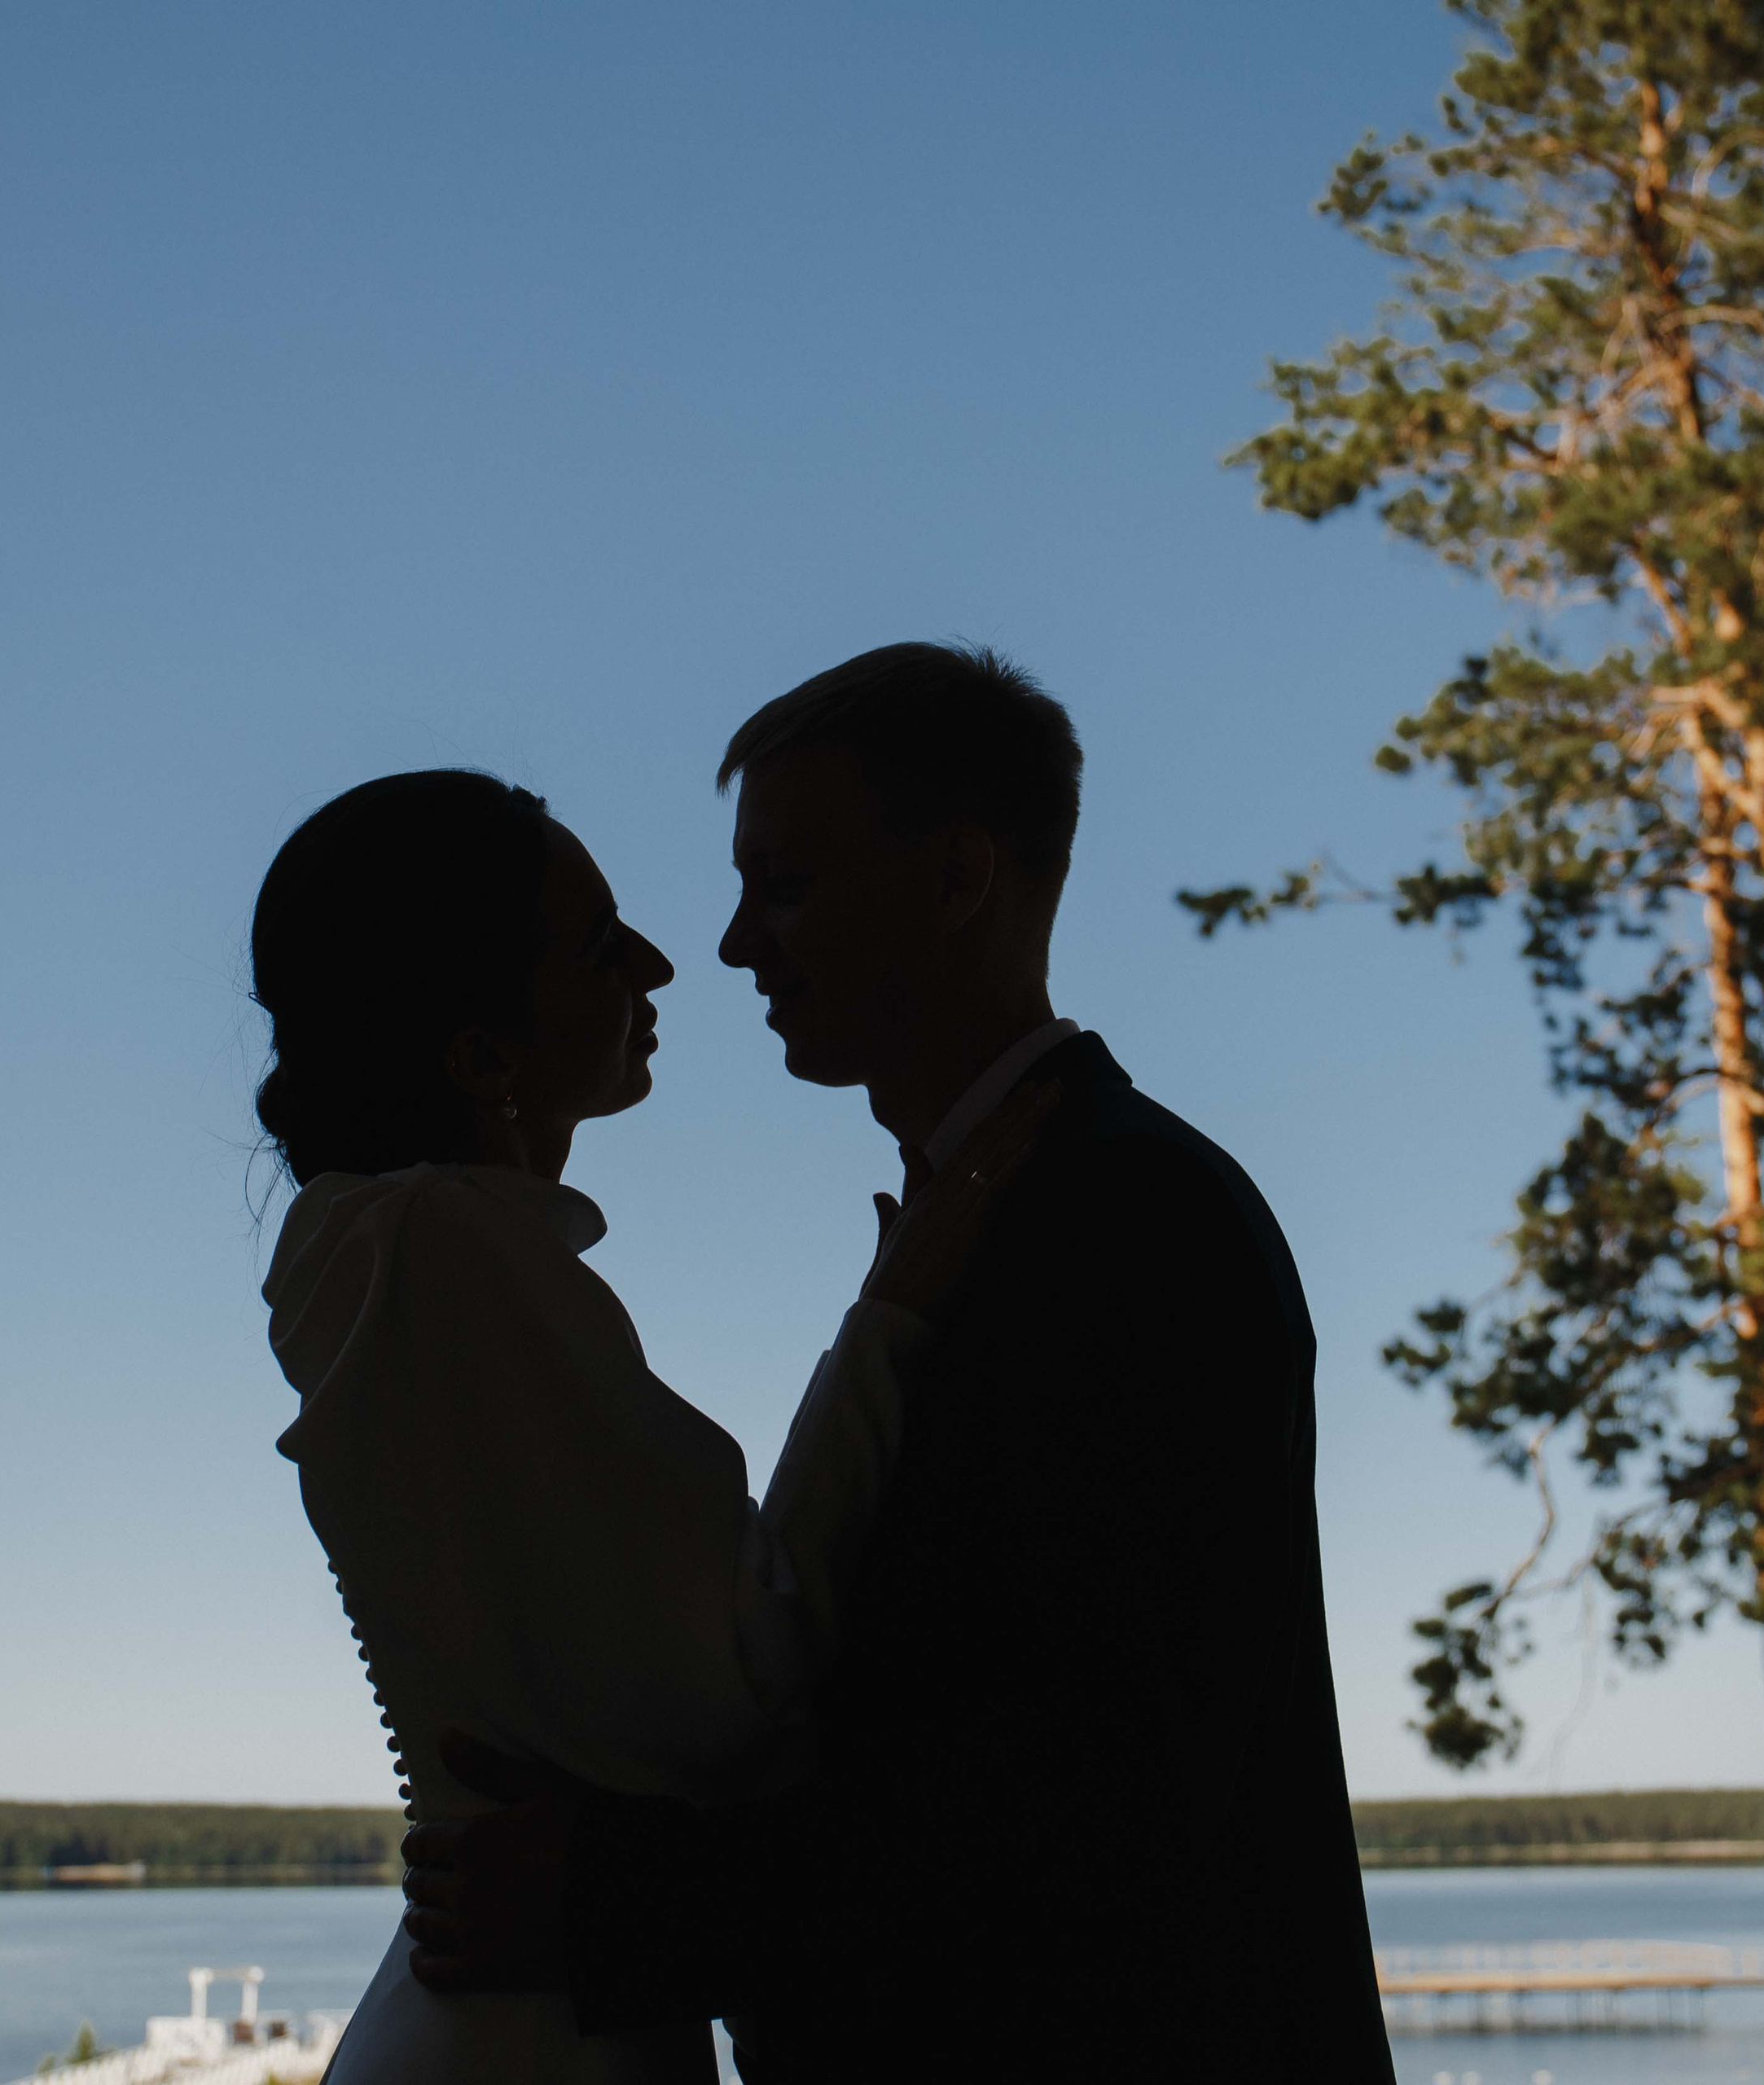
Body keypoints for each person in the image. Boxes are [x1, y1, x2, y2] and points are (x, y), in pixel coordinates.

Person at [402, 643, 1397, 2081]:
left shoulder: (1134, 1221)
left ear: (955, 879)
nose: (738, 945)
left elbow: (1088, 1793)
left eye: (785, 888)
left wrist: (614, 1896)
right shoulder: (1017, 1210)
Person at [251, 769, 1051, 2085]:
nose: (661, 962)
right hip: (538, 2033)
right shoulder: (436, 1256)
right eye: (596, 943)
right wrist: (895, 1317)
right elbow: (729, 1691)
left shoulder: (386, 1259)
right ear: (482, 1056)